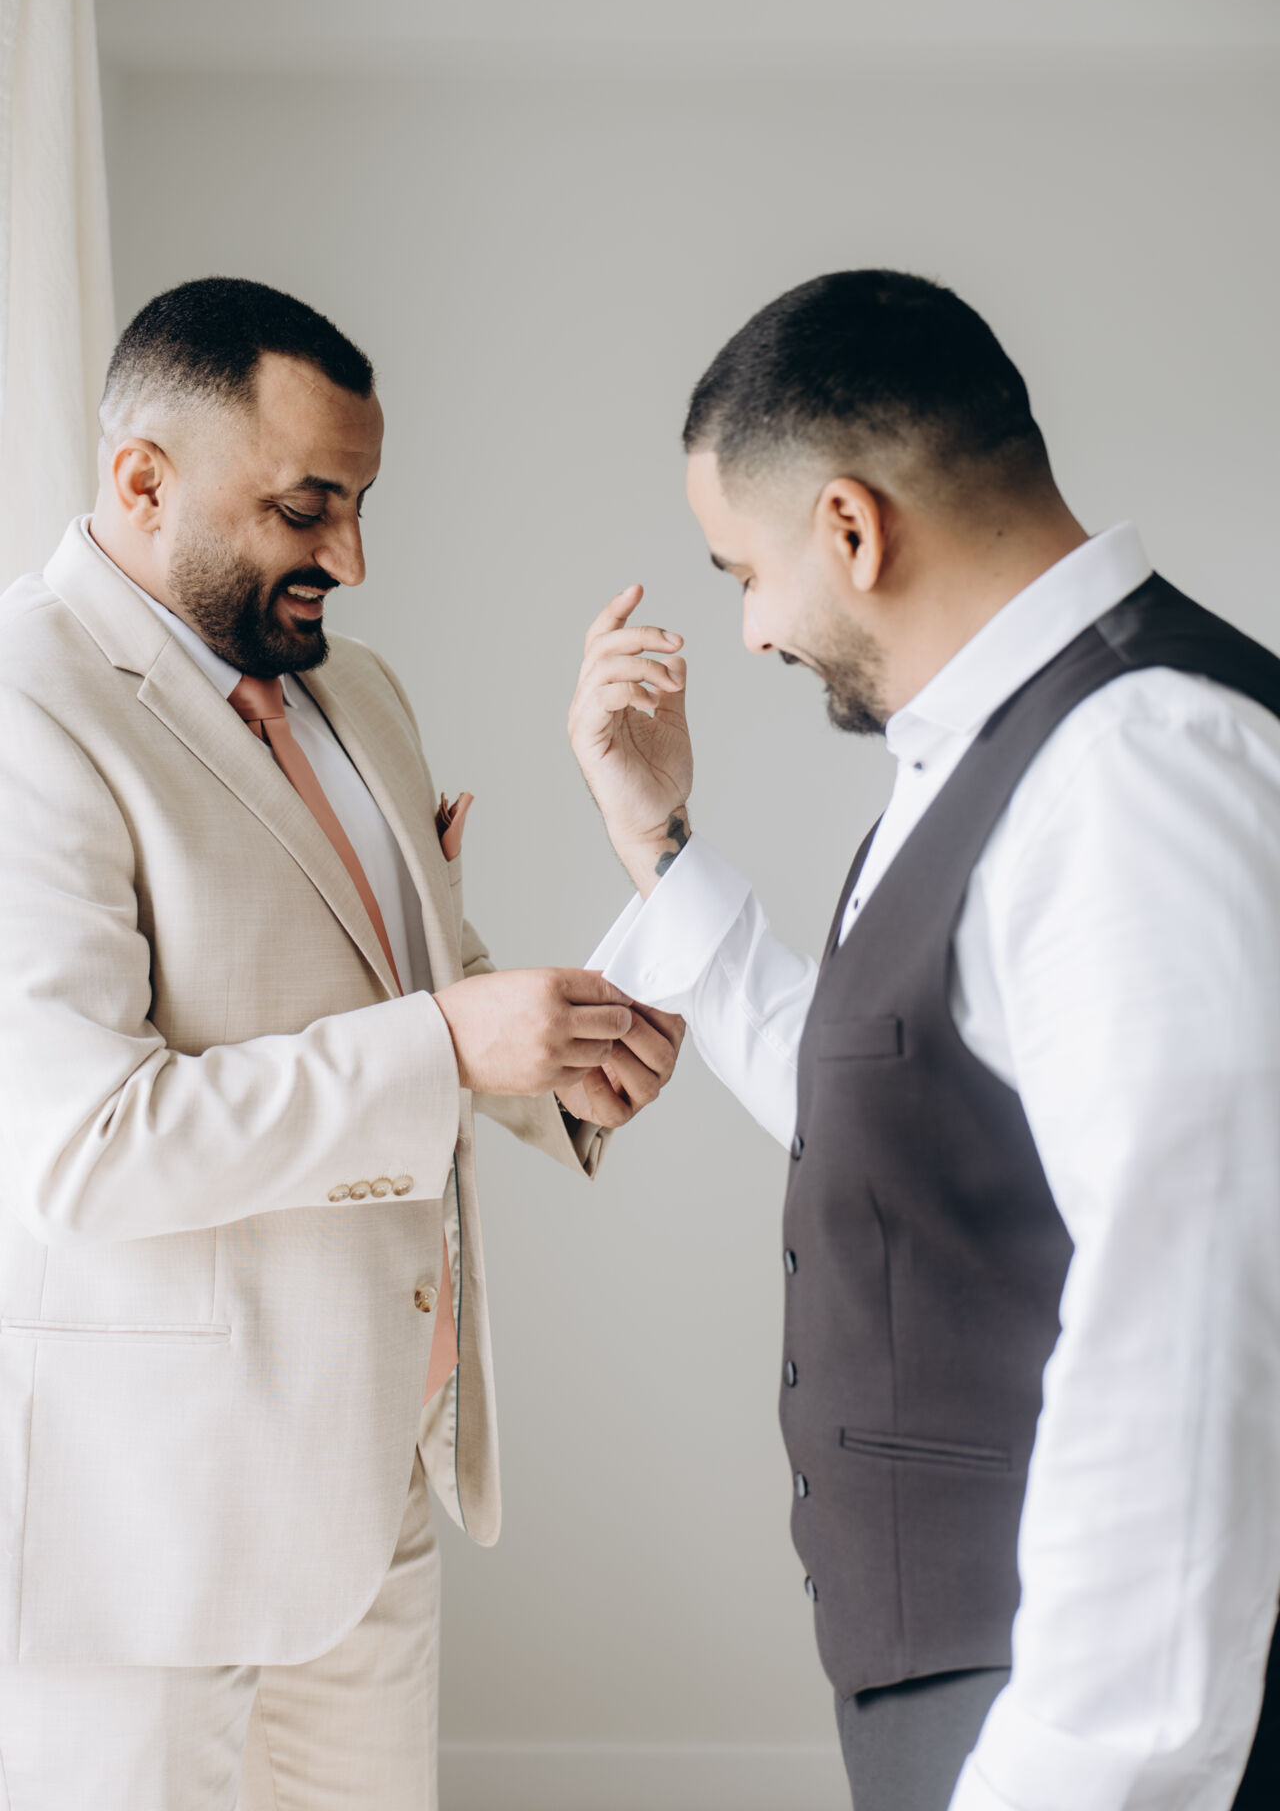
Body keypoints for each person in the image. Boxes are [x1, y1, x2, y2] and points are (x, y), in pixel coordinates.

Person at [568, 269, 1280, 1811]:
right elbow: (912, 1116)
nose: (751, 632)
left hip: (1084, 1725)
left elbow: (1189, 1331)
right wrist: (661, 849)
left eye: (743, 574)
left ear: (850, 527)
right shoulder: (1014, 753)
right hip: (990, 1682)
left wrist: (1058, 1778)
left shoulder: (1131, 766)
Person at [0, 276, 681, 1810]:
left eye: (363, 504)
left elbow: (422, 979)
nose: (352, 559)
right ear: (143, 481)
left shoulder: (357, 690)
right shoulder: (24, 700)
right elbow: (83, 1146)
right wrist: (446, 1042)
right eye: (307, 508)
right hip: (143, 1524)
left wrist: (568, 1069)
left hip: (376, 1480)